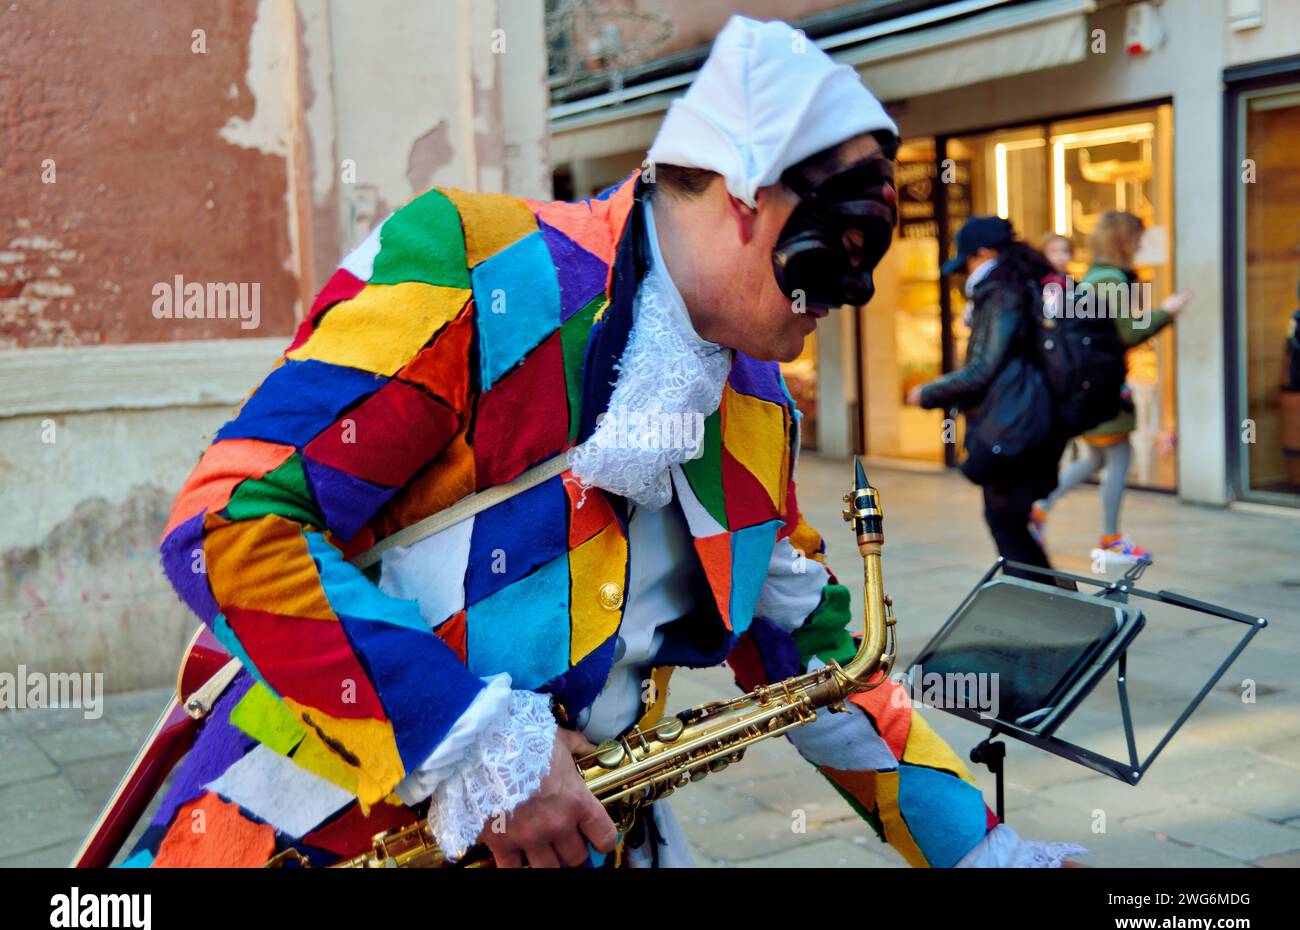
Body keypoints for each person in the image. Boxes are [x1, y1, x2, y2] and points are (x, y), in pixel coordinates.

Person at [134, 16, 1085, 869]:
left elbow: (829, 668)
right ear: (748, 199)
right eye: (846, 243)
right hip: (309, 834)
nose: (854, 294)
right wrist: (470, 739)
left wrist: (989, 855)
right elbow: (226, 527)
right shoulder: (477, 263)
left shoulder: (758, 407)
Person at [906, 217, 1065, 581]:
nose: (967, 272)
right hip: (1034, 419)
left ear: (985, 253)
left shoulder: (1002, 291)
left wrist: (929, 392)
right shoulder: (1025, 283)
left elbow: (984, 367)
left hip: (1014, 422)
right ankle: (1049, 606)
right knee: (1009, 520)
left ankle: (1053, 611)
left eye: (969, 261)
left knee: (1005, 519)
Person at [1030, 211, 1192, 560]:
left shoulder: (1093, 276)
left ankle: (1040, 508)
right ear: (1123, 240)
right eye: (1136, 238)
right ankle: (1110, 538)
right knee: (1118, 456)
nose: (1139, 245)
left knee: (1094, 459)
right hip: (1101, 390)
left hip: (1088, 388)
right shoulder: (1111, 280)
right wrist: (1166, 311)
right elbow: (1127, 333)